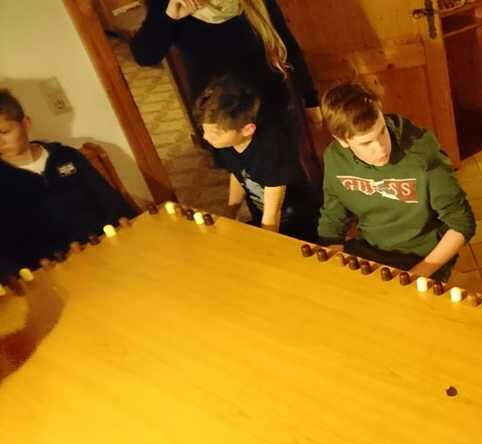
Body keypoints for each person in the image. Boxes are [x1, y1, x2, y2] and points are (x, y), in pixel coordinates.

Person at [316, 82, 475, 282]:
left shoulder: (421, 152)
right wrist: (333, 261)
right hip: (370, 250)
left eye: (382, 131)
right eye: (366, 143)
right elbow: (333, 218)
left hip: (423, 258)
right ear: (342, 141)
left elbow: (462, 223)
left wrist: (415, 276)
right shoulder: (335, 158)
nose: (381, 148)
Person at [0, 89, 137, 274]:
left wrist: (125, 224)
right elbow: (9, 243)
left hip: (105, 247)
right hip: (56, 269)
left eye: (4, 132)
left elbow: (108, 198)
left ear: (25, 124)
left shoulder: (66, 156)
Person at [131, 0, 319, 125]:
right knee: (243, 174)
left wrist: (310, 98)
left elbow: (287, 45)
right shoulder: (169, 3)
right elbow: (145, 56)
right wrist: (169, 17)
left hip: (269, 109)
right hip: (220, 117)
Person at [193, 76, 320, 241]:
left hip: (298, 221)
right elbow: (238, 174)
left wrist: (265, 241)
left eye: (215, 133)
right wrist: (230, 214)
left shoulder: (272, 148)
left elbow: (272, 213)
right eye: (204, 130)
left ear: (247, 129)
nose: (206, 137)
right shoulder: (224, 142)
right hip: (263, 217)